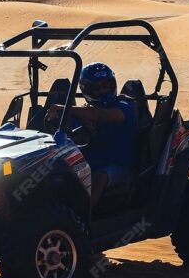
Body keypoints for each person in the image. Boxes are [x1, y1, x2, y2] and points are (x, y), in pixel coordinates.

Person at [46, 62, 137, 206]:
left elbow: (104, 115)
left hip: (120, 168)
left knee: (101, 177)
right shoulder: (83, 112)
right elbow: (78, 140)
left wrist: (67, 109)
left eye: (105, 86)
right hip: (90, 164)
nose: (102, 91)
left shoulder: (124, 105)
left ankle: (86, 217)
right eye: (96, 88)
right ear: (87, 90)